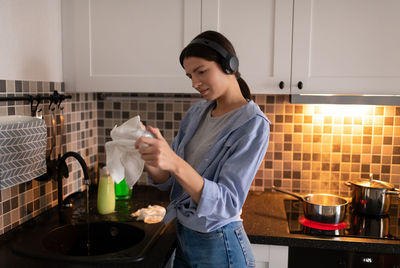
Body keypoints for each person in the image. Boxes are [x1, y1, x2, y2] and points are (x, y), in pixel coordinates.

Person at [136, 30, 270, 268]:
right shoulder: (197, 113)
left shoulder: (253, 125)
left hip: (221, 248)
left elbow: (228, 203)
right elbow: (169, 182)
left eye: (201, 71)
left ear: (230, 66)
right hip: (184, 239)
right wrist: (154, 159)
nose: (195, 83)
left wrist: (174, 162)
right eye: (190, 75)